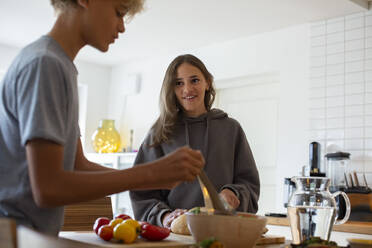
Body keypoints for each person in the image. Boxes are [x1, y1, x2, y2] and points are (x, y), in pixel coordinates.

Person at [0, 0, 204, 235]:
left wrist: (153, 180)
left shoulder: (60, 66)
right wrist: (149, 173)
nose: (121, 27)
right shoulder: (46, 64)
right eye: (118, 13)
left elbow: (78, 165)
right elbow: (48, 188)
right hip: (15, 236)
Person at [130, 54, 260, 228]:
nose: (187, 89)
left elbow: (249, 184)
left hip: (224, 231)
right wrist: (165, 216)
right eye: (179, 83)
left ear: (207, 82)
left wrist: (233, 192)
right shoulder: (159, 133)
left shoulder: (231, 128)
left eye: (194, 80)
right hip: (175, 235)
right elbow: (142, 191)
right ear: (171, 89)